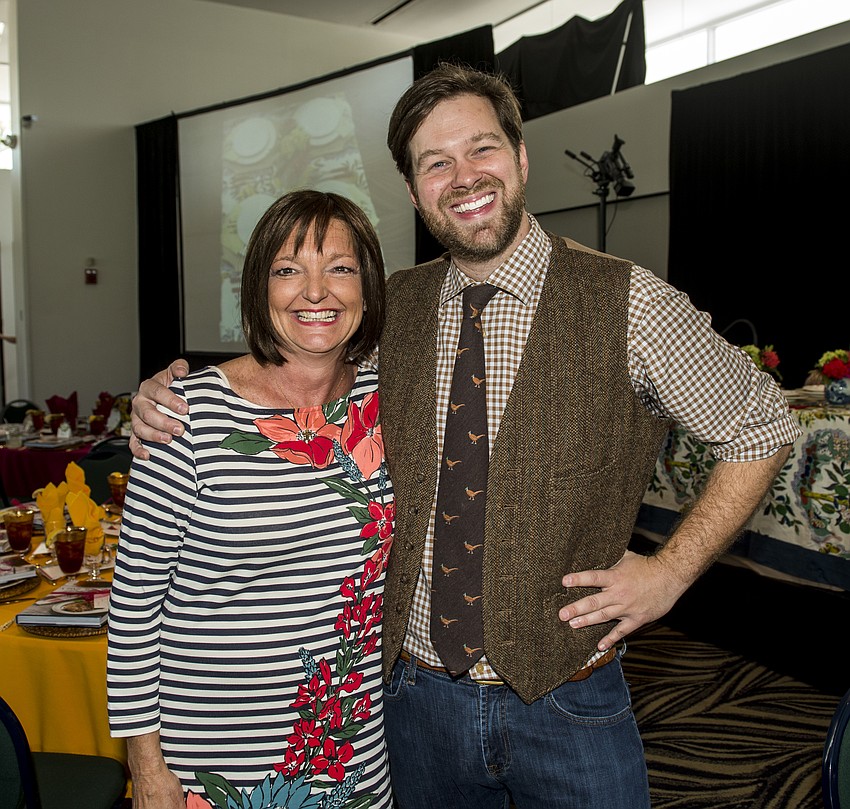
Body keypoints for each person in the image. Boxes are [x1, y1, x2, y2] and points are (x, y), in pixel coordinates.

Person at [130, 64, 800, 808]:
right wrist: (177, 395)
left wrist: (672, 571)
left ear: (519, 157)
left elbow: (761, 422)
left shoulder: (628, 300)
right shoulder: (394, 312)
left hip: (568, 699)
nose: (463, 177)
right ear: (414, 191)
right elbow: (298, 364)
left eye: (481, 149)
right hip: (412, 708)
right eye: (435, 162)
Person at [107, 190, 395, 809]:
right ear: (259, 290)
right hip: (209, 760)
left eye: (339, 268)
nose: (315, 292)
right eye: (288, 269)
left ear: (368, 286)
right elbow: (133, 612)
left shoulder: (389, 399)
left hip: (351, 748)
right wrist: (147, 769)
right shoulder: (189, 413)